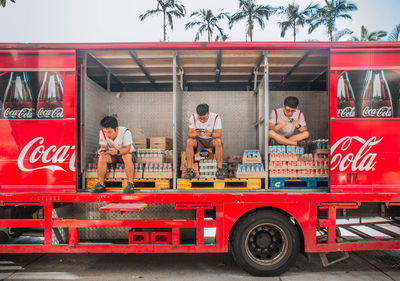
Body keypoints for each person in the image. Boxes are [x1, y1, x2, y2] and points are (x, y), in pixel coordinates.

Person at [91, 116, 136, 194]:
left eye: (110, 132)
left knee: (126, 156)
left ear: (117, 129)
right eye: (105, 132)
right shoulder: (102, 132)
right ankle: (100, 185)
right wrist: (102, 151)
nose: (107, 134)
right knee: (102, 157)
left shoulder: (125, 132)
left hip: (127, 152)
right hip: (113, 153)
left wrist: (117, 152)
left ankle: (130, 185)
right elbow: (104, 146)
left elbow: (127, 149)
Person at [184, 103, 224, 180]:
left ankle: (220, 170)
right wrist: (194, 134)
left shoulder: (216, 117)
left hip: (210, 139)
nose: (202, 121)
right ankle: (190, 171)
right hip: (198, 141)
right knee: (189, 141)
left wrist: (210, 134)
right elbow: (189, 134)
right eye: (200, 118)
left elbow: (219, 134)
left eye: (204, 118)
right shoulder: (193, 117)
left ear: (208, 113)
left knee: (218, 141)